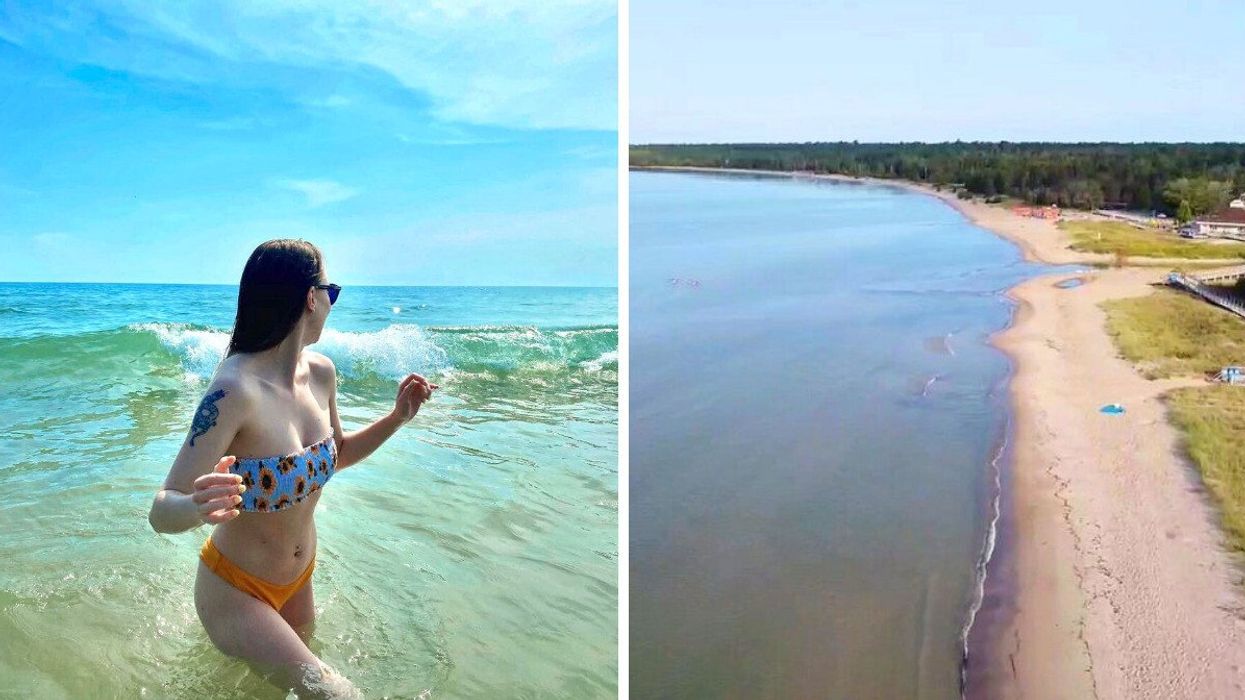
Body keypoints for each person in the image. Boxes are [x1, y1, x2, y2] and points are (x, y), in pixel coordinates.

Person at [147, 239, 436, 698]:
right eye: (331, 290)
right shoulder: (235, 389)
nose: (331, 303)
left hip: (299, 581)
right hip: (235, 591)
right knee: (339, 694)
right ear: (309, 297)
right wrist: (197, 507)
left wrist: (397, 418)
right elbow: (162, 511)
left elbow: (335, 456)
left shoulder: (321, 373)